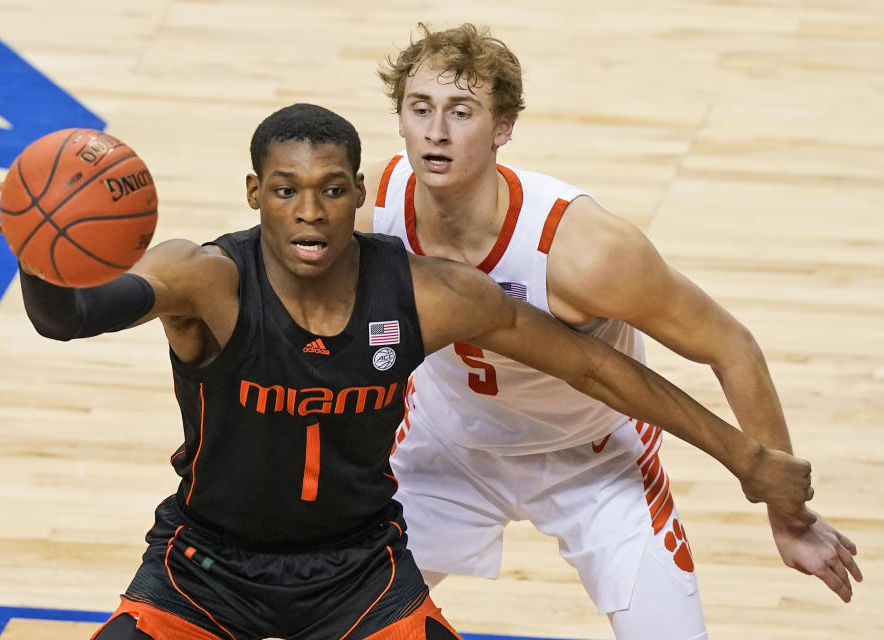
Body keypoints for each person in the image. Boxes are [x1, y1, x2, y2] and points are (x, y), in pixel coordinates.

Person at [0, 104, 812, 640]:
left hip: (359, 575)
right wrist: (39, 251)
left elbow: (595, 368)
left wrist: (744, 456)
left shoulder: (429, 293)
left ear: (362, 194)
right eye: (285, 191)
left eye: (330, 190)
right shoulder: (207, 278)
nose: (308, 212)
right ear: (255, 192)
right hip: (204, 569)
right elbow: (66, 318)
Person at [357, 23, 863, 640]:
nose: (436, 131)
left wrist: (789, 514)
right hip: (446, 449)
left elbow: (731, 346)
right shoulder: (371, 208)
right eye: (421, 109)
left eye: (461, 112)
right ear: (401, 118)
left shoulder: (584, 250)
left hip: (593, 459)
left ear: (503, 128)